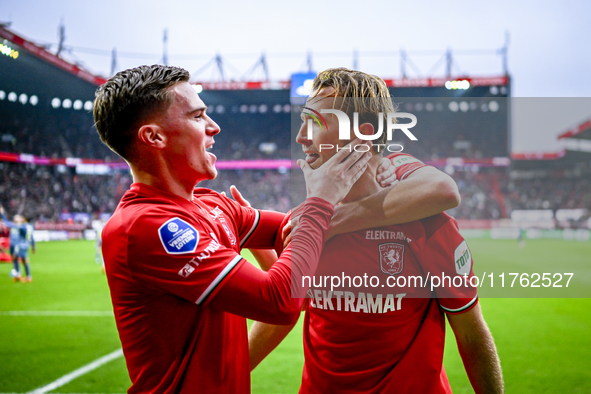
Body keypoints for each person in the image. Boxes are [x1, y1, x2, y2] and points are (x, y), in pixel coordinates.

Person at [93, 64, 372, 393]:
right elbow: (278, 300)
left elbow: (296, 228)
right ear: (154, 136)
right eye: (197, 117)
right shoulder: (146, 227)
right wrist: (322, 200)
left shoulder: (212, 204)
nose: (215, 127)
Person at [248, 68, 504, 393]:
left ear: (362, 136)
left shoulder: (428, 226)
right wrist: (224, 375)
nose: (300, 137)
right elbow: (287, 311)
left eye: (315, 123)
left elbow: (470, 332)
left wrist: (337, 220)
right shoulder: (303, 223)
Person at [1, 207, 35, 282]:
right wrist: (33, 246)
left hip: (21, 245)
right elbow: (32, 237)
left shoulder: (23, 226)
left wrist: (2, 214)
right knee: (16, 257)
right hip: (25, 245)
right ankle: (19, 274)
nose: (21, 219)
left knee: (24, 260)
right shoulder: (30, 226)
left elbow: (8, 224)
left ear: (25, 219)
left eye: (22, 218)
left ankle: (28, 276)